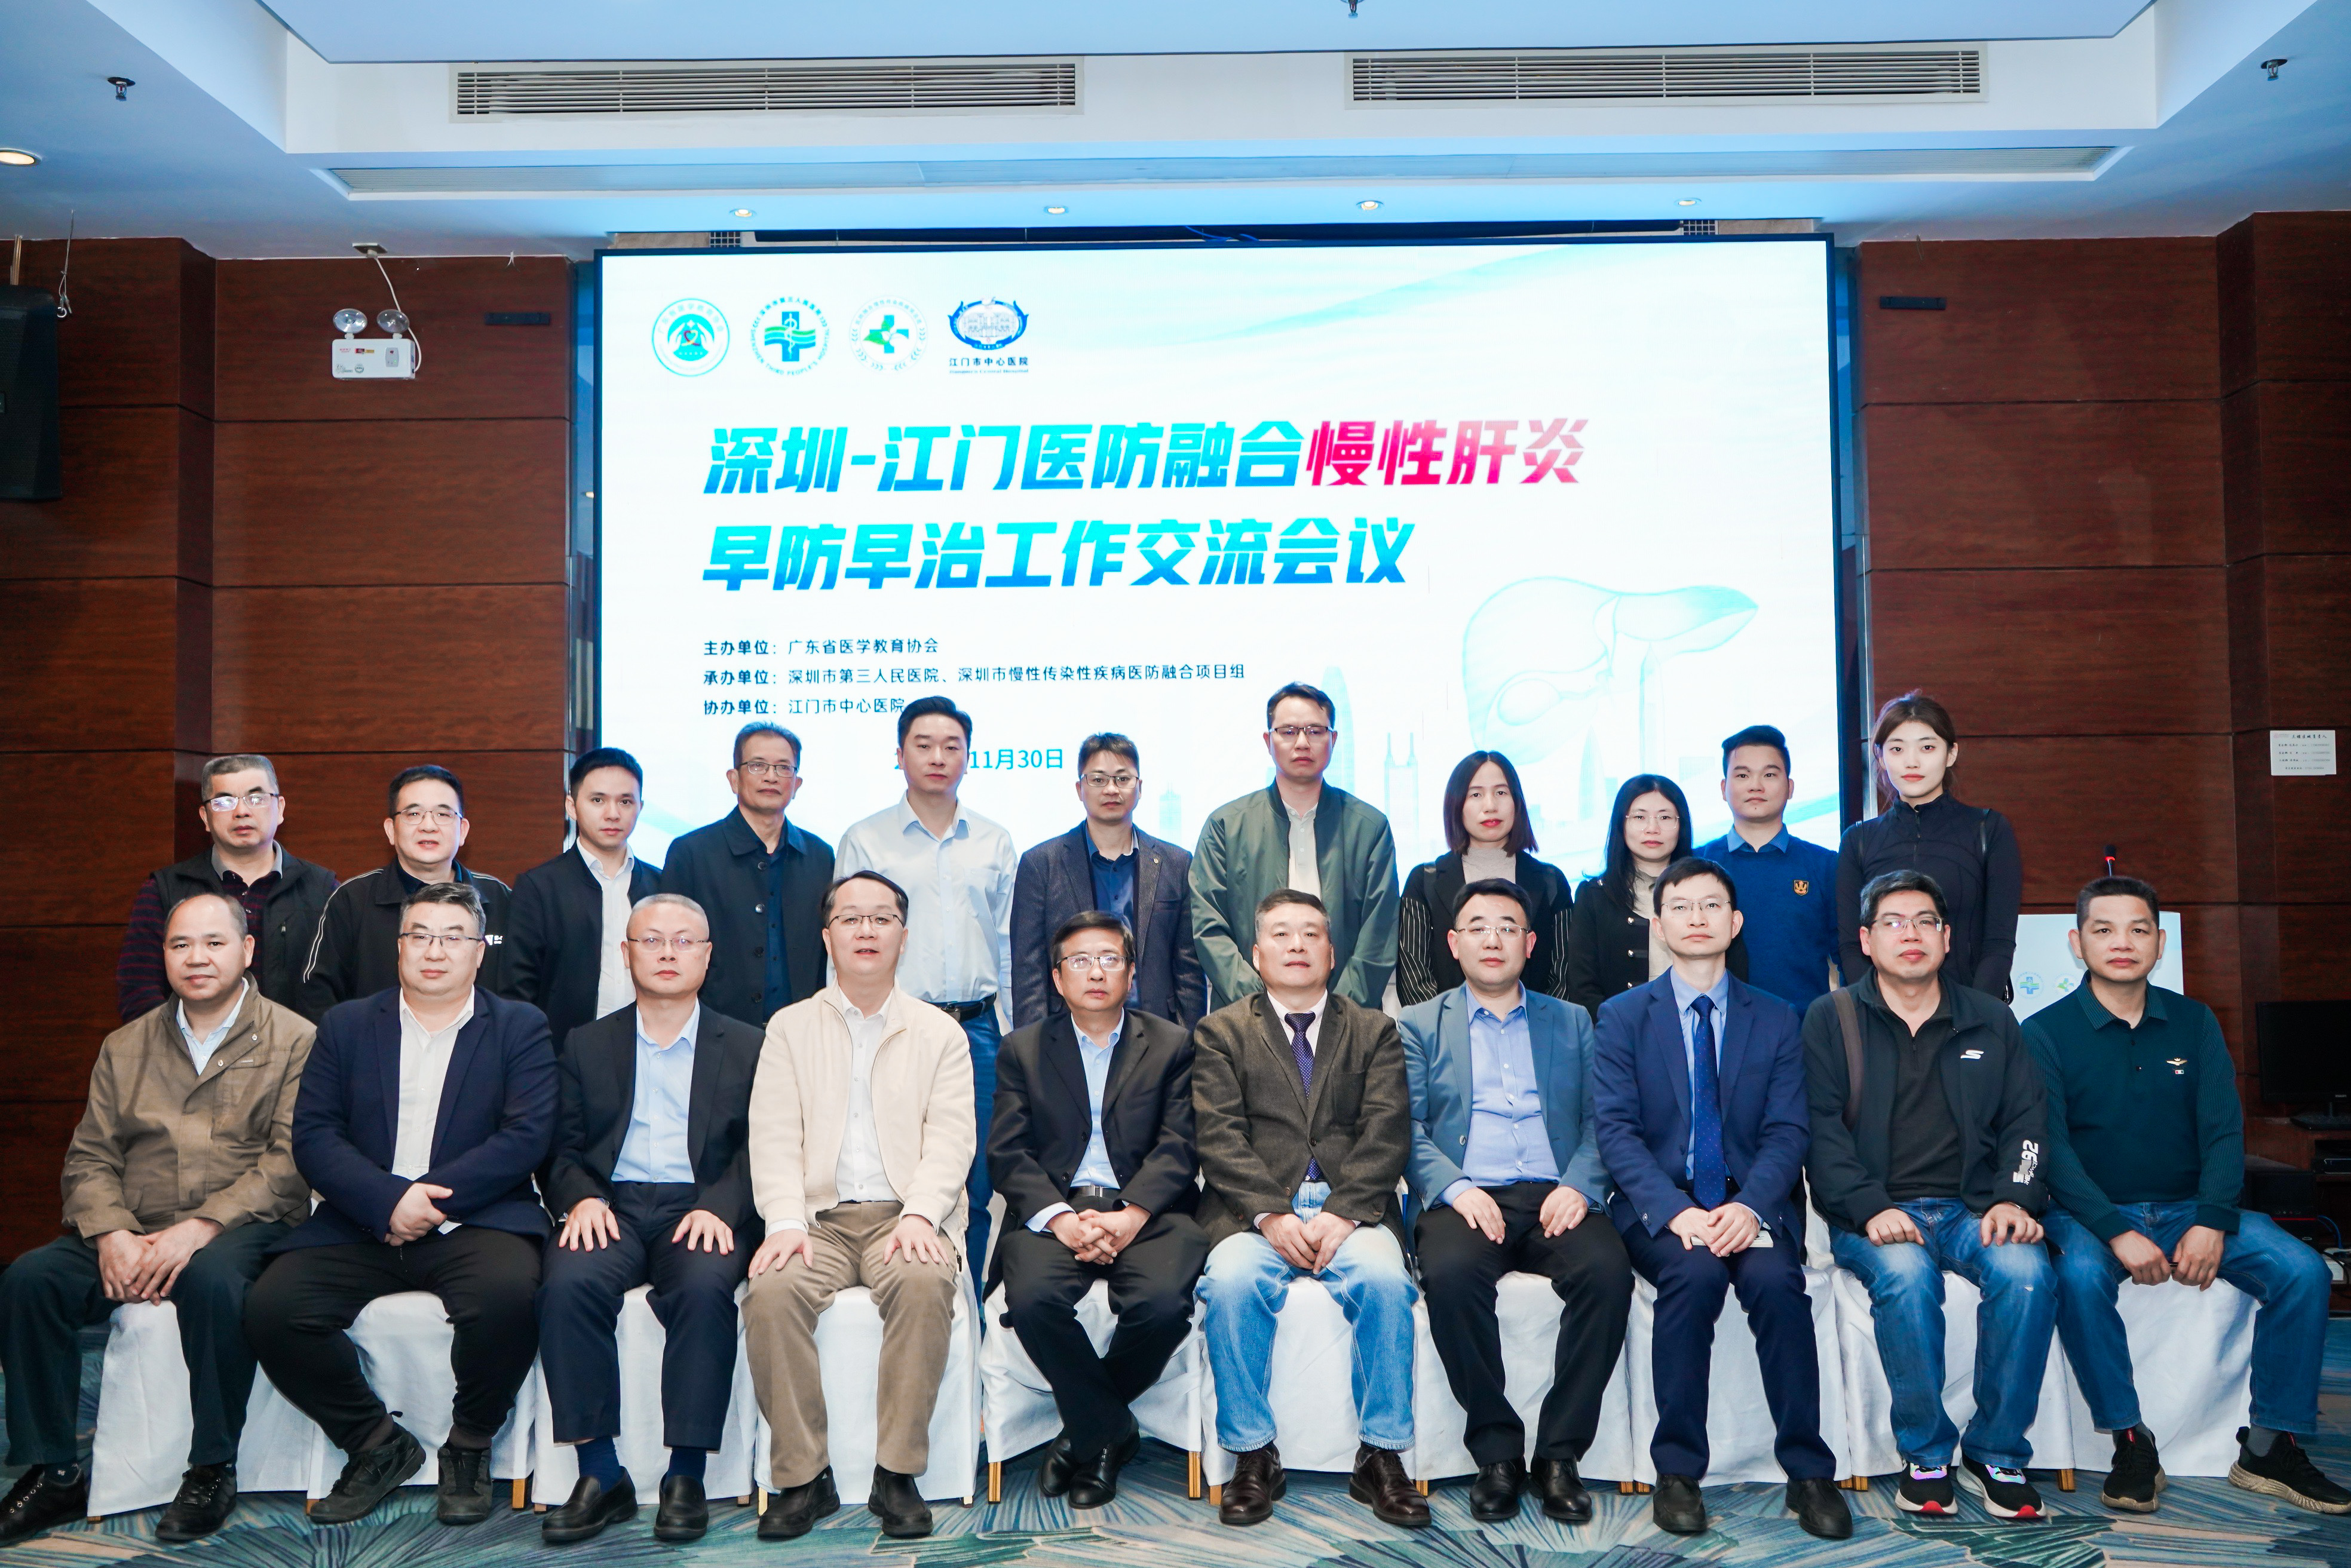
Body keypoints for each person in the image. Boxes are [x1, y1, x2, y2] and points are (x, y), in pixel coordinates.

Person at [0, 894, 313, 1546]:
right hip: (136, 1222)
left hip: (241, 1225)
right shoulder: (126, 1045)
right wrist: (111, 1233)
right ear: (163, 955)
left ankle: (211, 1468)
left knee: (212, 1279)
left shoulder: (295, 1039)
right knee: (31, 1280)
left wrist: (201, 1228)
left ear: (247, 951)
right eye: (180, 945)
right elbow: (90, 1156)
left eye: (214, 943)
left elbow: (289, 1162)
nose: (197, 958)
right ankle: (54, 1470)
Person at [2029, 876, 2348, 1516]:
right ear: (2076, 942)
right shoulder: (2042, 1032)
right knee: (2078, 1278)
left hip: (2186, 1207)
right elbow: (2052, 1152)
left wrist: (2211, 1220)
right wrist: (2115, 1230)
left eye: (2138, 929)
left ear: (2159, 941)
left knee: (2303, 1271)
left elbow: (2223, 1131)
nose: (2121, 942)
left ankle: (2268, 1446)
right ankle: (2130, 1441)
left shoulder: (2194, 1021)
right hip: (2089, 1215)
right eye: (2102, 929)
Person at [244, 881, 555, 1527]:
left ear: (479, 952)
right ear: (399, 946)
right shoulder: (348, 1025)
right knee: (273, 1309)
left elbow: (525, 1137)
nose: (435, 951)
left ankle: (469, 1443)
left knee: (509, 1297)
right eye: (421, 936)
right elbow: (315, 1135)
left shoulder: (519, 1026)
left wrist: (427, 1203)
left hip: (475, 1217)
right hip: (364, 1218)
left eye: (453, 938)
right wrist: (388, 1202)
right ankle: (375, 1443)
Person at [1591, 859, 1847, 1540]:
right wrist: (1675, 1212)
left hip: (1749, 1202)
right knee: (1693, 1273)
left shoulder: (1777, 1017)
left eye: (1711, 906)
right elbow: (1614, 1131)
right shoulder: (1622, 1017)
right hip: (1661, 1205)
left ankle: (1808, 1471)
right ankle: (1677, 1471)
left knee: (1775, 1283)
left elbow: (1787, 1130)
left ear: (1734, 924)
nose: (1696, 918)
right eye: (1680, 907)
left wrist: (1751, 1206)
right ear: (1659, 925)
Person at [1803, 869, 2053, 1521]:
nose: (1908, 934)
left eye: (1924, 922)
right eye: (1892, 922)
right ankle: (1926, 1453)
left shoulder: (1990, 1019)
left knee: (2026, 1272)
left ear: (1945, 937)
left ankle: (1997, 1451)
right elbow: (1819, 1133)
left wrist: (2014, 1198)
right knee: (1906, 1278)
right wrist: (1870, 1208)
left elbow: (2026, 1123)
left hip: (1975, 1208)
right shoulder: (1831, 1018)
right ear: (1866, 940)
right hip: (1874, 1211)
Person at [739, 870, 975, 1542]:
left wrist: (921, 1214)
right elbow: (773, 1134)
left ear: (904, 935)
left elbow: (951, 1139)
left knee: (923, 1281)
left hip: (906, 1215)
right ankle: (800, 1475)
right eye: (850, 919)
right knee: (771, 1291)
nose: (865, 930)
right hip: (818, 1222)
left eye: (881, 918)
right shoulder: (789, 1028)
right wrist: (784, 1221)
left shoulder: (938, 1032)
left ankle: (896, 1473)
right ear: (827, 937)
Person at [534, 893, 766, 1545]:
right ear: (626, 952)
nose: (668, 952)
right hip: (611, 1204)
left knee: (703, 1287)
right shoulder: (586, 1042)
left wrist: (722, 1206)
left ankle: (685, 1474)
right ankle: (599, 1472)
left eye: (684, 941)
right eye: (652, 940)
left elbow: (766, 1145)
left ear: (708, 956)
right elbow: (561, 1146)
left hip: (702, 1205)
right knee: (567, 1284)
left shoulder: (748, 1044)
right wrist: (580, 1198)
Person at [1192, 890, 1428, 1530]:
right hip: (1252, 1212)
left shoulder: (1374, 1030)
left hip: (1352, 1209)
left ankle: (1380, 1455)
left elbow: (1386, 1132)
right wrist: (1271, 1215)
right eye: (1281, 934)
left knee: (1385, 1283)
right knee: (1231, 1284)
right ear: (1255, 953)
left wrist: (1343, 1213)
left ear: (1331, 952)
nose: (1295, 945)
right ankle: (1252, 1454)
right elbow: (1218, 1136)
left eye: (1310, 934)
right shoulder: (1220, 1032)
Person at [1400, 877, 1631, 1524]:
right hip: (1467, 1195)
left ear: (1530, 944)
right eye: (1477, 927)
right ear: (1453, 943)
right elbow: (1405, 1128)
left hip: (1556, 1191)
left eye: (1508, 927)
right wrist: (1455, 1188)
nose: (1492, 939)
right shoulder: (1418, 1024)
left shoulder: (1572, 1020)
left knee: (1607, 1272)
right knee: (1450, 1275)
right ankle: (1497, 1453)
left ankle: (1558, 1454)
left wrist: (1579, 1185)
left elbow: (1602, 1120)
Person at [989, 910, 1207, 1508]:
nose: (1095, 972)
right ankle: (1109, 1431)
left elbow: (1180, 1144)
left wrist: (1130, 1214)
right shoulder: (1022, 1049)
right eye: (1080, 961)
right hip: (1054, 1212)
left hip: (1150, 1212)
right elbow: (1008, 1154)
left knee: (1162, 1305)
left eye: (1110, 959)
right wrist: (1062, 1221)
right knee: (1031, 1301)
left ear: (1131, 973)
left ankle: (1083, 1434)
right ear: (1057, 978)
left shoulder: (1171, 1043)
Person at [834, 696, 1016, 1274]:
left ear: (968, 756)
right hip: (893, 1027)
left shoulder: (994, 840)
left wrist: (1015, 1035)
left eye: (951, 746)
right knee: (897, 1176)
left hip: (977, 1032)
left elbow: (1008, 944)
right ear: (899, 754)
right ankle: (909, 1288)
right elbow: (845, 940)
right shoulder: (866, 839)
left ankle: (972, 1310)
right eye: (923, 745)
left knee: (976, 1185)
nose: (938, 757)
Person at [1190, 683, 1399, 1012]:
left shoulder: (1370, 827)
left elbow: (1379, 934)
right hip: (1246, 1019)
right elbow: (1208, 928)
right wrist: (1260, 1008)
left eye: (1315, 731)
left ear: (1333, 740)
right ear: (1268, 741)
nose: (1302, 742)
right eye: (1288, 731)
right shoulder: (1226, 826)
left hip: (1347, 1021)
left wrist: (1337, 1014)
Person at [117, 753, 337, 1021]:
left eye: (256, 798)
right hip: (190, 1046)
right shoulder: (165, 890)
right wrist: (188, 1042)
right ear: (205, 817)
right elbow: (138, 990)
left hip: (298, 1045)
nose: (242, 811)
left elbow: (342, 990)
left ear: (279, 809)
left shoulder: (324, 890)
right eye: (224, 802)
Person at [1010, 734, 1204, 1029]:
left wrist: (1188, 1040)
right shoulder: (1041, 864)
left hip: (1156, 1032)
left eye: (1123, 779)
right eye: (1098, 780)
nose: (1111, 789)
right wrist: (1035, 1046)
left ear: (1140, 788)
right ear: (1080, 789)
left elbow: (1189, 970)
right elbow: (1029, 972)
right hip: (1068, 1034)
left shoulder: (1176, 863)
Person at [1837, 692, 2022, 999]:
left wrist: (1976, 1013)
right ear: (1880, 757)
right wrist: (1877, 1011)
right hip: (1879, 1015)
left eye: (1927, 747)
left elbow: (1999, 943)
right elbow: (1851, 945)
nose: (1912, 761)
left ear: (1951, 754)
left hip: (1970, 1010)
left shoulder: (1989, 830)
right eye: (1897, 749)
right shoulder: (1858, 840)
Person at [296, 765, 512, 1020]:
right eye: (414, 814)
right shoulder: (352, 899)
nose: (428, 826)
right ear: (391, 830)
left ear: (462, 830)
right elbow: (316, 993)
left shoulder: (501, 899)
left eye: (443, 814)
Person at [660, 722, 834, 1029]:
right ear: (734, 779)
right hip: (715, 1030)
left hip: (805, 1031)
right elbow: (672, 947)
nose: (771, 777)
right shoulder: (692, 853)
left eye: (783, 768)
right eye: (757, 766)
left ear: (796, 784)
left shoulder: (820, 856)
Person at [508, 748, 661, 1056]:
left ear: (640, 807)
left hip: (652, 1052)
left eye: (626, 802)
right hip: (564, 1056)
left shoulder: (662, 886)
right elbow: (518, 990)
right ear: (572, 806)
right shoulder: (539, 887)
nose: (613, 814)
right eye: (598, 800)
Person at [1397, 752, 1575, 1007]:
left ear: (1517, 802)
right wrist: (1447, 1026)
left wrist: (1536, 1025)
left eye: (1501, 792)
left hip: (1535, 1027)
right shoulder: (1424, 882)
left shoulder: (1551, 882)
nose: (1490, 806)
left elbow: (1565, 976)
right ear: (1456, 804)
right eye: (1476, 795)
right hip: (1445, 1030)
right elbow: (1414, 978)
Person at [1567, 775, 1745, 1017]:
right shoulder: (1594, 895)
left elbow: (1736, 972)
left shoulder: (1712, 890)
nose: (1653, 829)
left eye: (1665, 817)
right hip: (1621, 1032)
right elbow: (1583, 986)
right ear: (1621, 824)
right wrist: (1615, 1032)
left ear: (1682, 825)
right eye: (1640, 817)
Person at [1696, 726, 1841, 1011]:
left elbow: (1847, 956)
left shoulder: (1825, 865)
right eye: (1743, 775)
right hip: (1714, 1029)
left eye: (1770, 775)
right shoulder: (1696, 865)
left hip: (1804, 1029)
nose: (1756, 786)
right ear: (1724, 789)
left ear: (1790, 787)